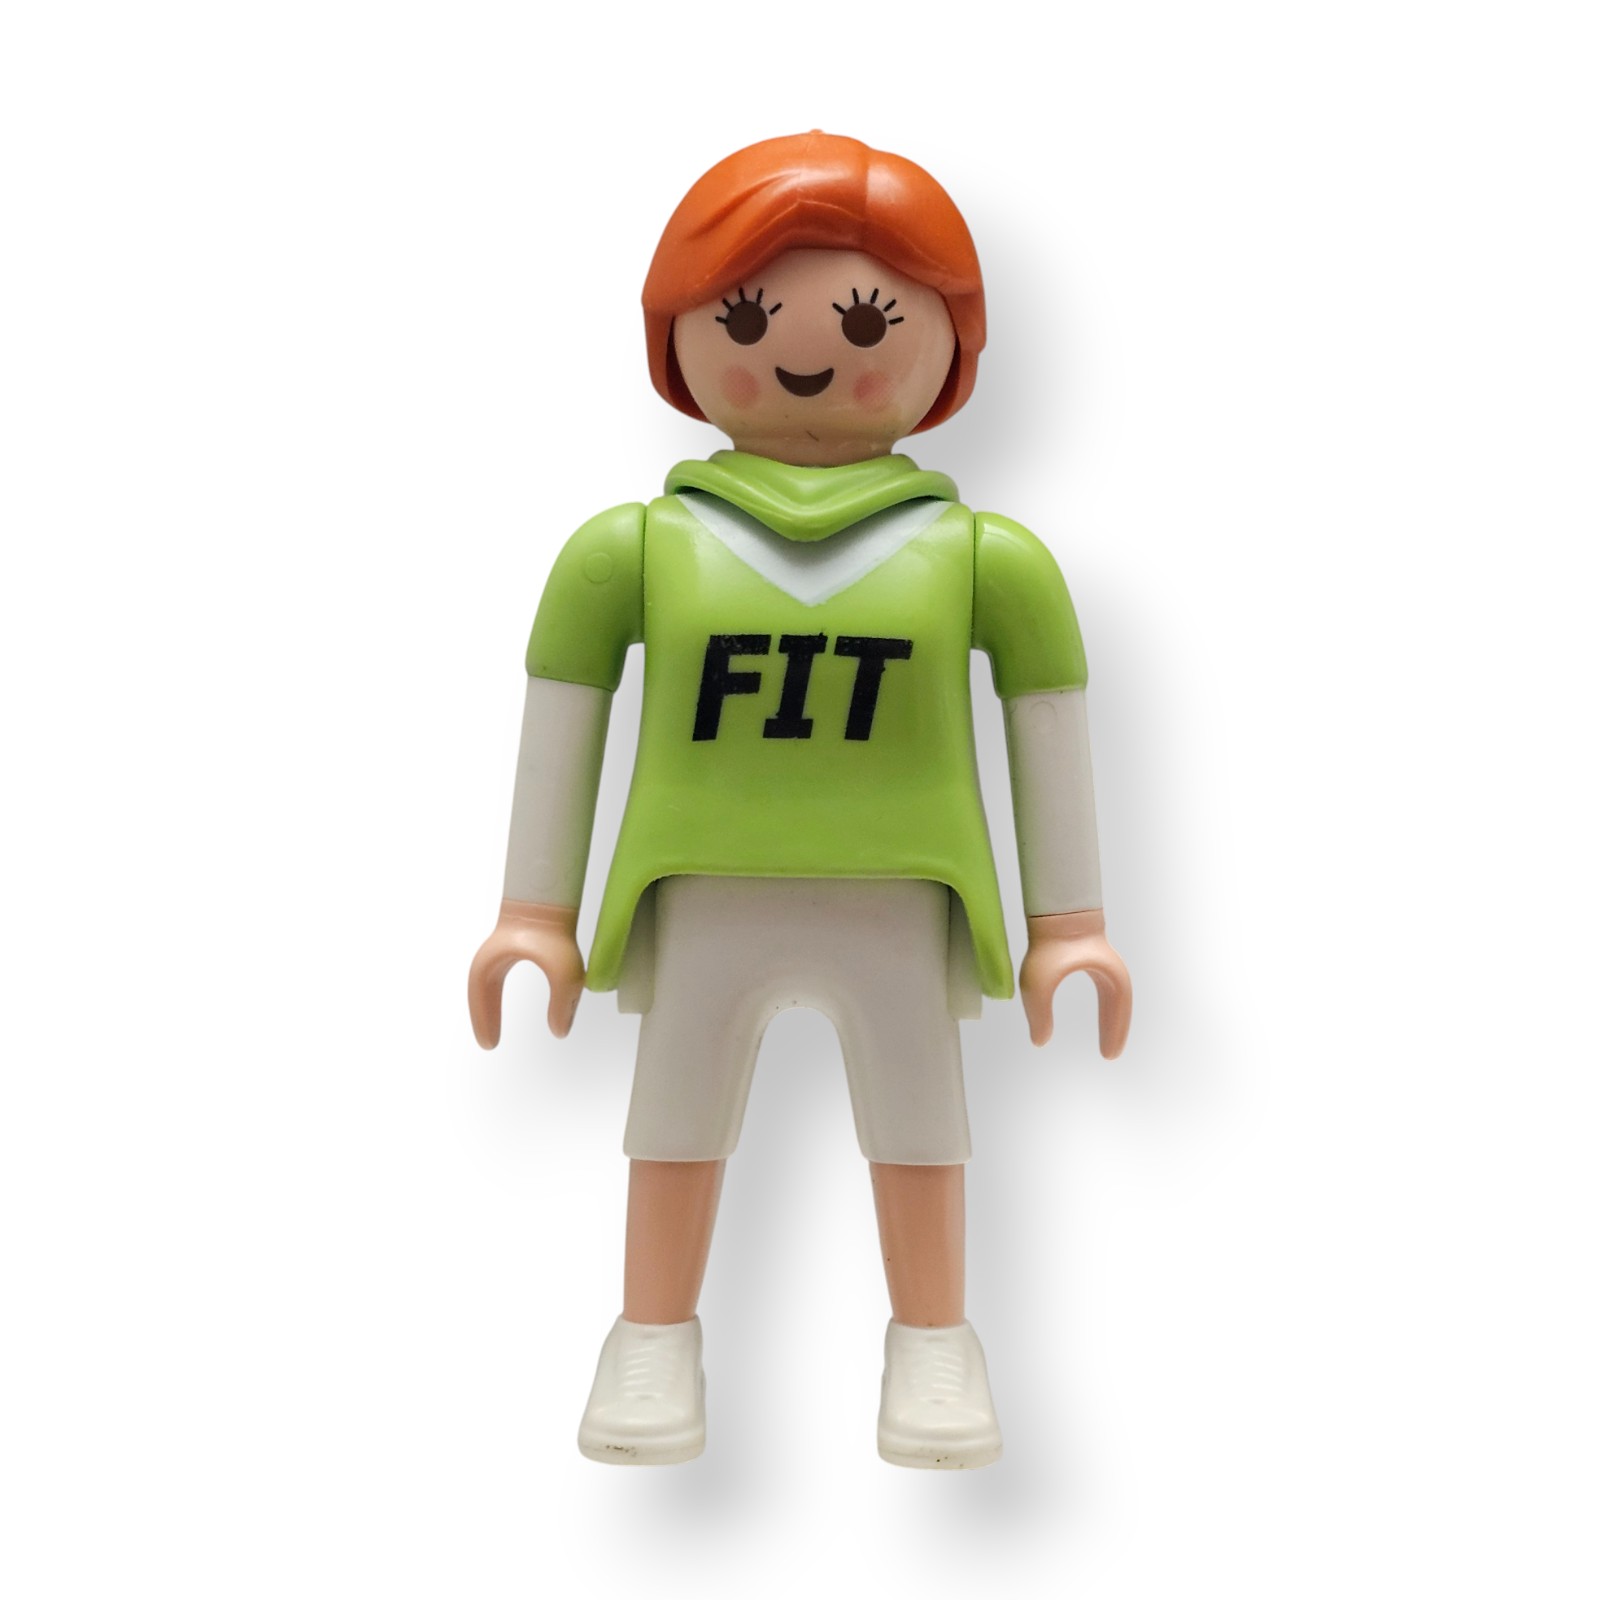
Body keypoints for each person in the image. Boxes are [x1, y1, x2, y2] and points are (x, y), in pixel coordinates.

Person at [468, 131, 1132, 1469]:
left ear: (951, 343)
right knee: (674, 1116)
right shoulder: (634, 549)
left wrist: (1070, 925)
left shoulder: (983, 558)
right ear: (679, 339)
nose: (806, 354)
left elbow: (1047, 730)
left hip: (905, 889)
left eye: (871, 320)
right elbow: (564, 716)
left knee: (920, 1119)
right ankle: (652, 1331)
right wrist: (533, 912)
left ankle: (934, 1338)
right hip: (700, 884)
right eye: (746, 318)